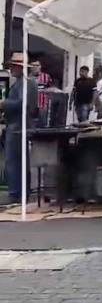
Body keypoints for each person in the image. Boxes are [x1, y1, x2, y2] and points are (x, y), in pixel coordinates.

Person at [1, 53, 39, 204]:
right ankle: (18, 191)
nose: (11, 69)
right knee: (17, 161)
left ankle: (16, 192)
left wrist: (4, 104)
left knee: (15, 161)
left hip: (19, 126)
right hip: (16, 124)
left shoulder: (26, 84)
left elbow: (22, 103)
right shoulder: (20, 83)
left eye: (13, 66)